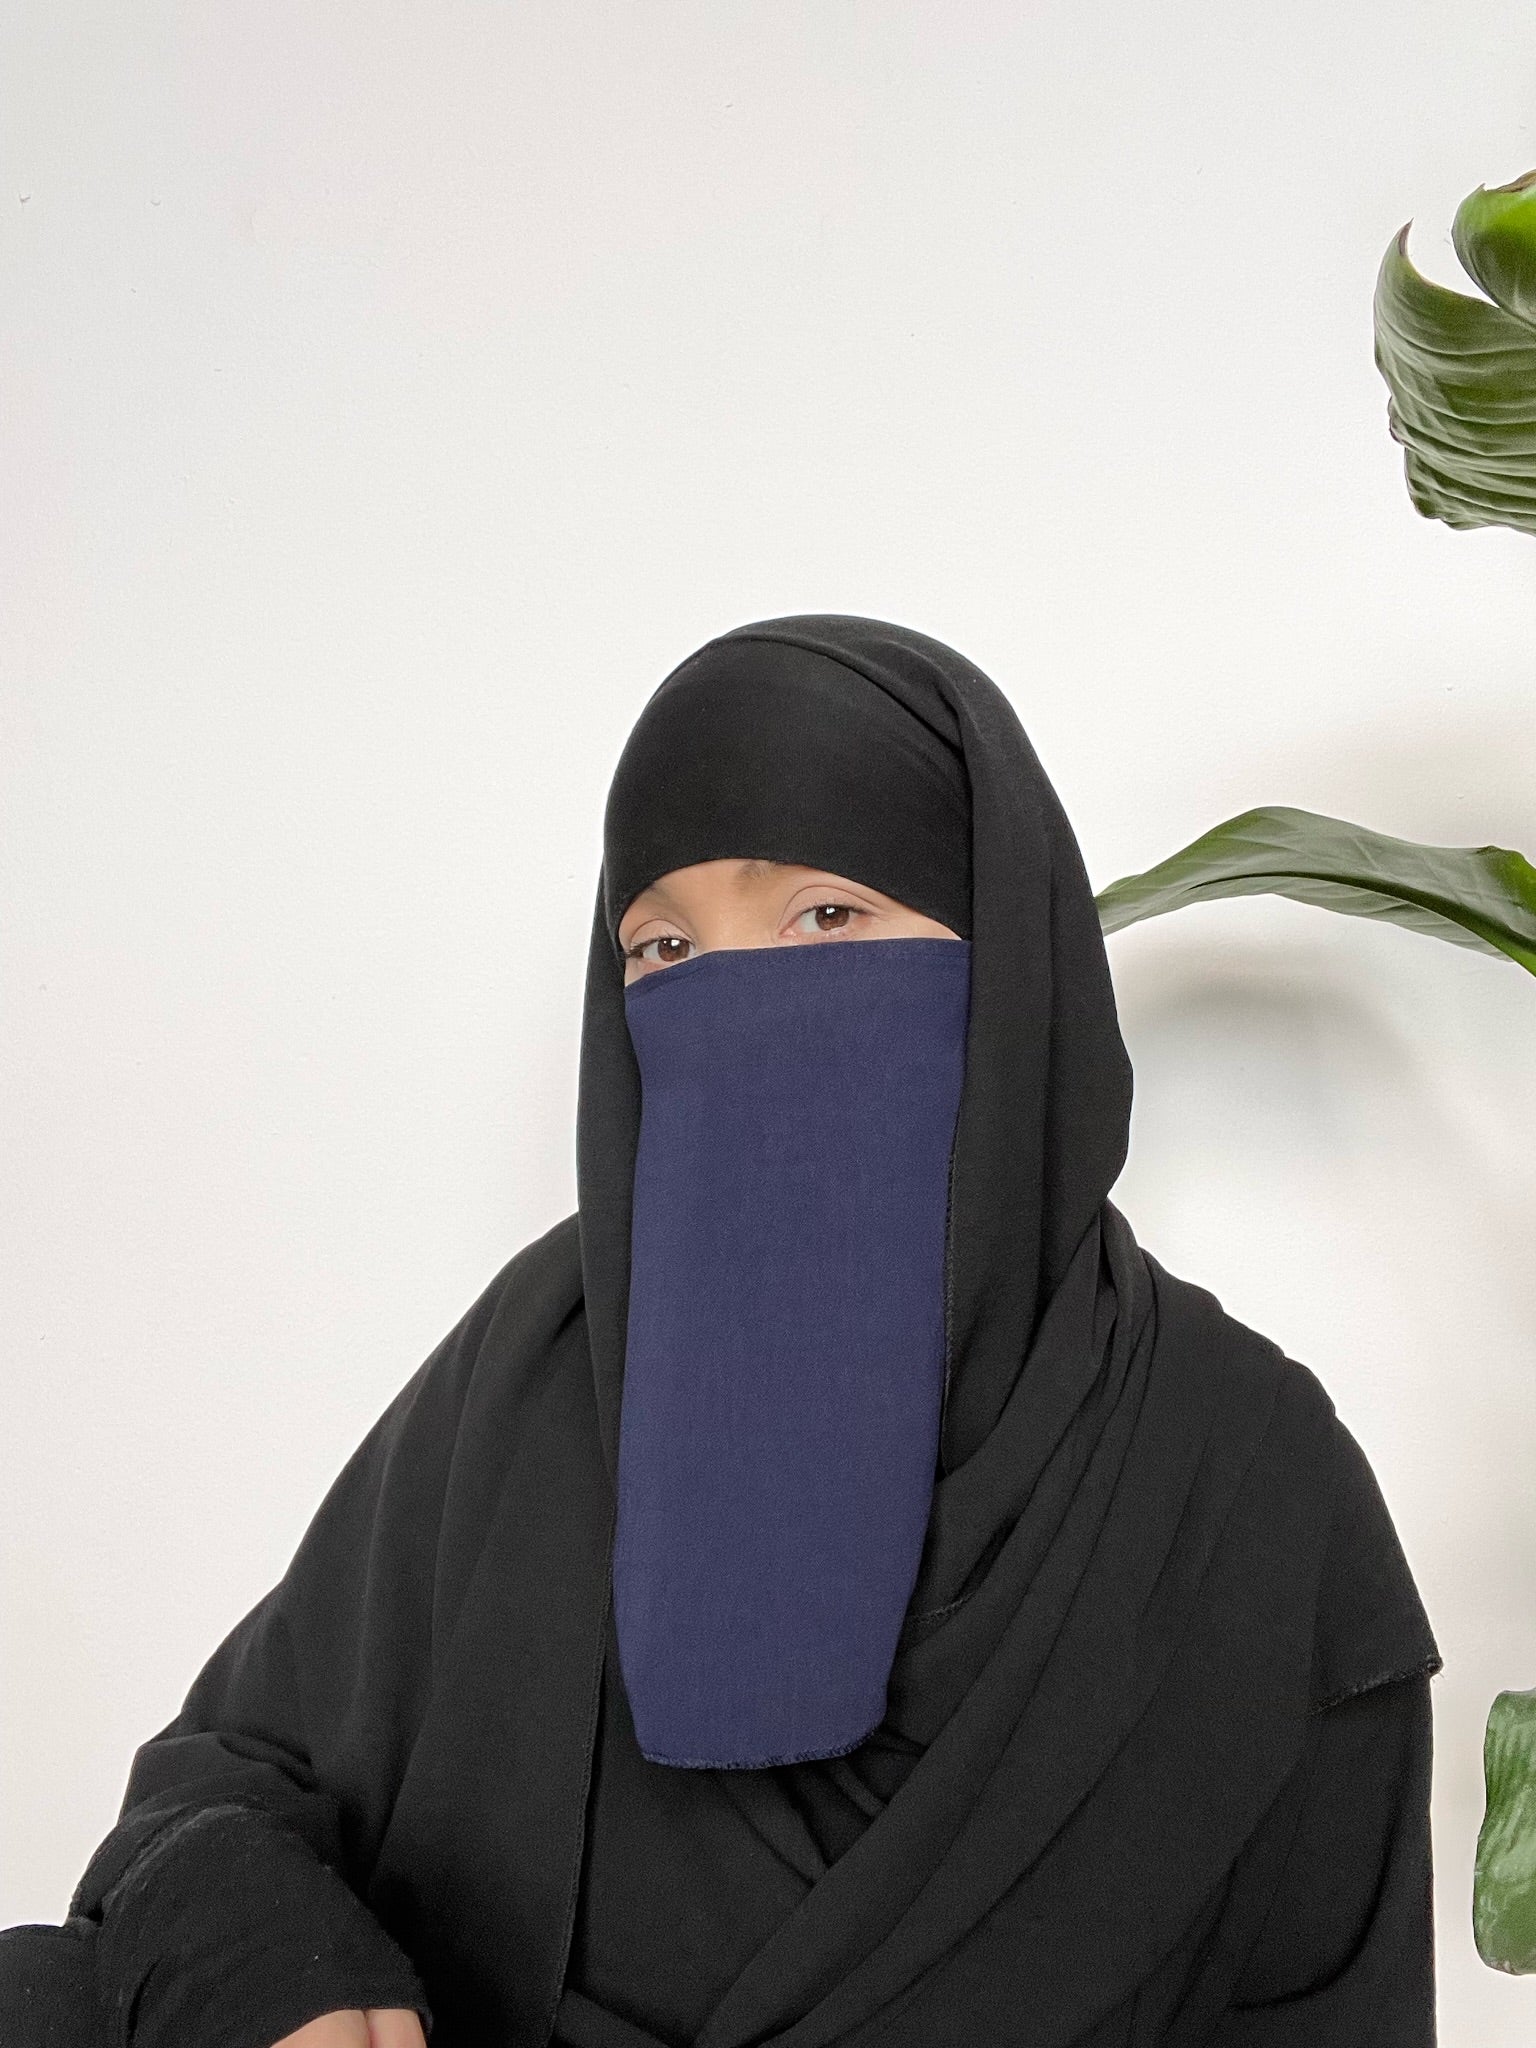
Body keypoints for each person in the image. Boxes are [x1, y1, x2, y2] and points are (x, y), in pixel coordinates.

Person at [0, 614, 1443, 2048]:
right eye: (667, 947)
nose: (733, 1001)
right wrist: (276, 1972)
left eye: (826, 918)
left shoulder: (1247, 1485)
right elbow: (221, 1787)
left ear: (1011, 967)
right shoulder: (546, 1367)